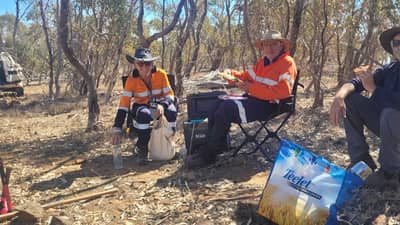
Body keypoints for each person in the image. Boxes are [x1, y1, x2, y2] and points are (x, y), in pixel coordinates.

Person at [186, 30, 297, 169]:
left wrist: (251, 89)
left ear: (281, 45)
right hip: (254, 100)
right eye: (266, 45)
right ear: (262, 47)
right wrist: (230, 73)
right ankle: (215, 146)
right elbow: (245, 76)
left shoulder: (287, 62)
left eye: (274, 44)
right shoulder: (263, 62)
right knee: (217, 103)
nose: (270, 48)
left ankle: (208, 155)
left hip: (271, 106)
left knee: (226, 108)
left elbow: (284, 91)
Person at [329, 27, 400, 188]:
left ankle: (390, 173)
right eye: (396, 43)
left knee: (389, 113)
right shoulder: (390, 69)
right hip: (388, 126)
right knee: (351, 101)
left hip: (393, 122)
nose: (399, 46)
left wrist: (374, 89)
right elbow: (355, 83)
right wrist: (339, 96)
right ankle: (361, 161)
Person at [111, 47, 177, 165]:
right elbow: (123, 105)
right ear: (135, 64)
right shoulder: (131, 79)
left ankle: (168, 144)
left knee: (172, 110)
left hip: (160, 104)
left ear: (152, 64)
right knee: (144, 114)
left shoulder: (161, 74)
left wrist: (162, 106)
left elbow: (170, 95)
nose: (144, 67)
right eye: (140, 64)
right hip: (142, 106)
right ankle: (142, 149)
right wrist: (117, 128)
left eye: (148, 64)